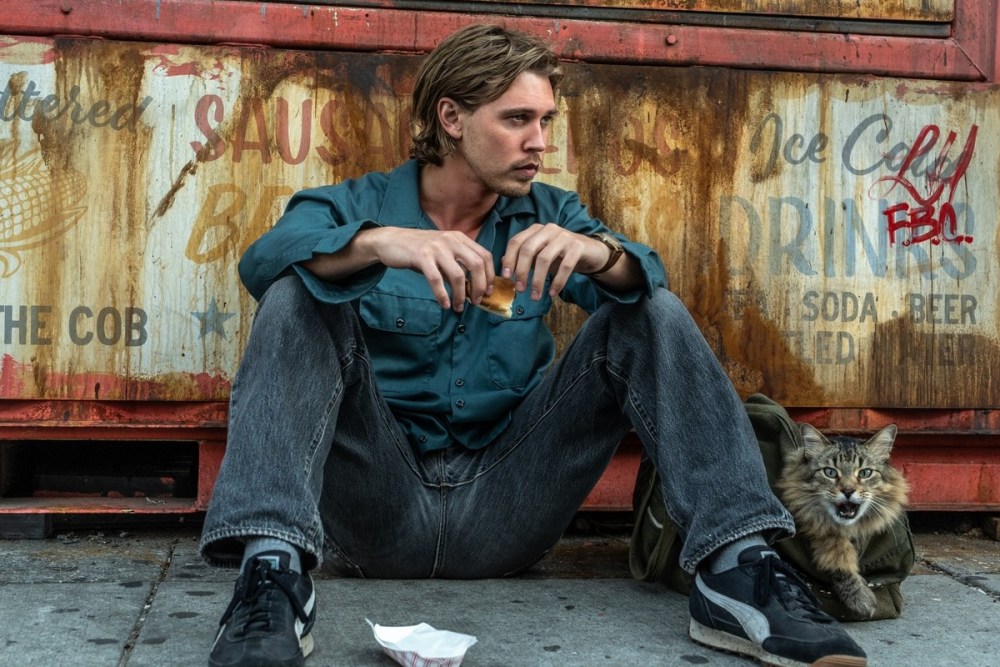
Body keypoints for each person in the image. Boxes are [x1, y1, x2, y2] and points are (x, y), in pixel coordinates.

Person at [200, 23, 868, 667]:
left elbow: (648, 283)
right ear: (452, 118)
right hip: (378, 501)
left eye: (546, 121)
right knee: (296, 291)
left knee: (646, 307)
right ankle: (272, 577)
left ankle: (738, 570)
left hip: (509, 501)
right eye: (518, 119)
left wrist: (599, 255)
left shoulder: (549, 213)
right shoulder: (358, 204)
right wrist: (380, 244)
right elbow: (264, 261)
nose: (539, 141)